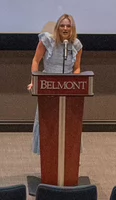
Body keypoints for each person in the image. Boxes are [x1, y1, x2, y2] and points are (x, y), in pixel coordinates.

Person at [30, 14, 83, 154]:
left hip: (68, 89)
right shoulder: (47, 41)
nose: (65, 28)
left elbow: (77, 67)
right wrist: (34, 81)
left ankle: (68, 155)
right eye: (62, 25)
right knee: (48, 123)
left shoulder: (76, 45)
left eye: (68, 26)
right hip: (48, 86)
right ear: (57, 27)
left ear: (72, 28)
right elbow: (36, 60)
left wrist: (75, 82)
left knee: (68, 124)